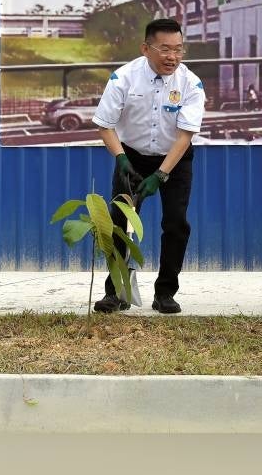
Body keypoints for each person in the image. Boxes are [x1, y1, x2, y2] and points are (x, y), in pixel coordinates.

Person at [91, 18, 206, 314]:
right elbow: (105, 125)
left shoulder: (190, 83)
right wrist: (121, 159)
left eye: (179, 50)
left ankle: (165, 292)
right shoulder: (123, 78)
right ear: (146, 48)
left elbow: (184, 136)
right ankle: (115, 292)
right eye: (165, 49)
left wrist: (161, 174)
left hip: (175, 159)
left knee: (176, 223)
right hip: (131, 156)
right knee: (120, 222)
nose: (173, 57)